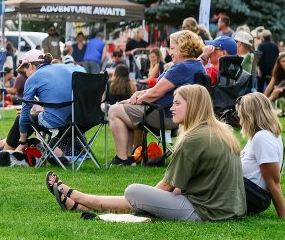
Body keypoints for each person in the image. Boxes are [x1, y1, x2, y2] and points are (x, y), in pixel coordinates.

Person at [47, 85, 245, 222]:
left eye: (177, 103)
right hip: (229, 209)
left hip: (205, 212)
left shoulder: (194, 139)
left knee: (134, 192)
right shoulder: (221, 132)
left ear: (192, 106)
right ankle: (81, 203)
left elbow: (166, 187)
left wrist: (146, 201)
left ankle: (82, 198)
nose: (171, 108)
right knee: (142, 196)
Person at [107, 29, 207, 165]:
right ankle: (131, 156)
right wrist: (137, 95)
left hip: (166, 115)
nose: (170, 52)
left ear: (183, 48)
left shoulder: (182, 68)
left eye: (172, 48)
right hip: (180, 115)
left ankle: (122, 158)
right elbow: (156, 90)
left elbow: (155, 94)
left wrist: (134, 101)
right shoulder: (196, 66)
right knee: (124, 110)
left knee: (114, 110)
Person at [236, 92, 284, 217]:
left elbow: (273, 181)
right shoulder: (259, 136)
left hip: (253, 194)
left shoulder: (262, 137)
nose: (240, 120)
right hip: (247, 191)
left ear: (250, 115)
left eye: (241, 116)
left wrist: (283, 214)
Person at [257, 28, 279, 93]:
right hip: (272, 70)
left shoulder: (261, 46)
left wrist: (258, 69)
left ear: (262, 37)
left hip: (262, 71)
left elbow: (258, 58)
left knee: (260, 89)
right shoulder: (275, 46)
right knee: (270, 88)